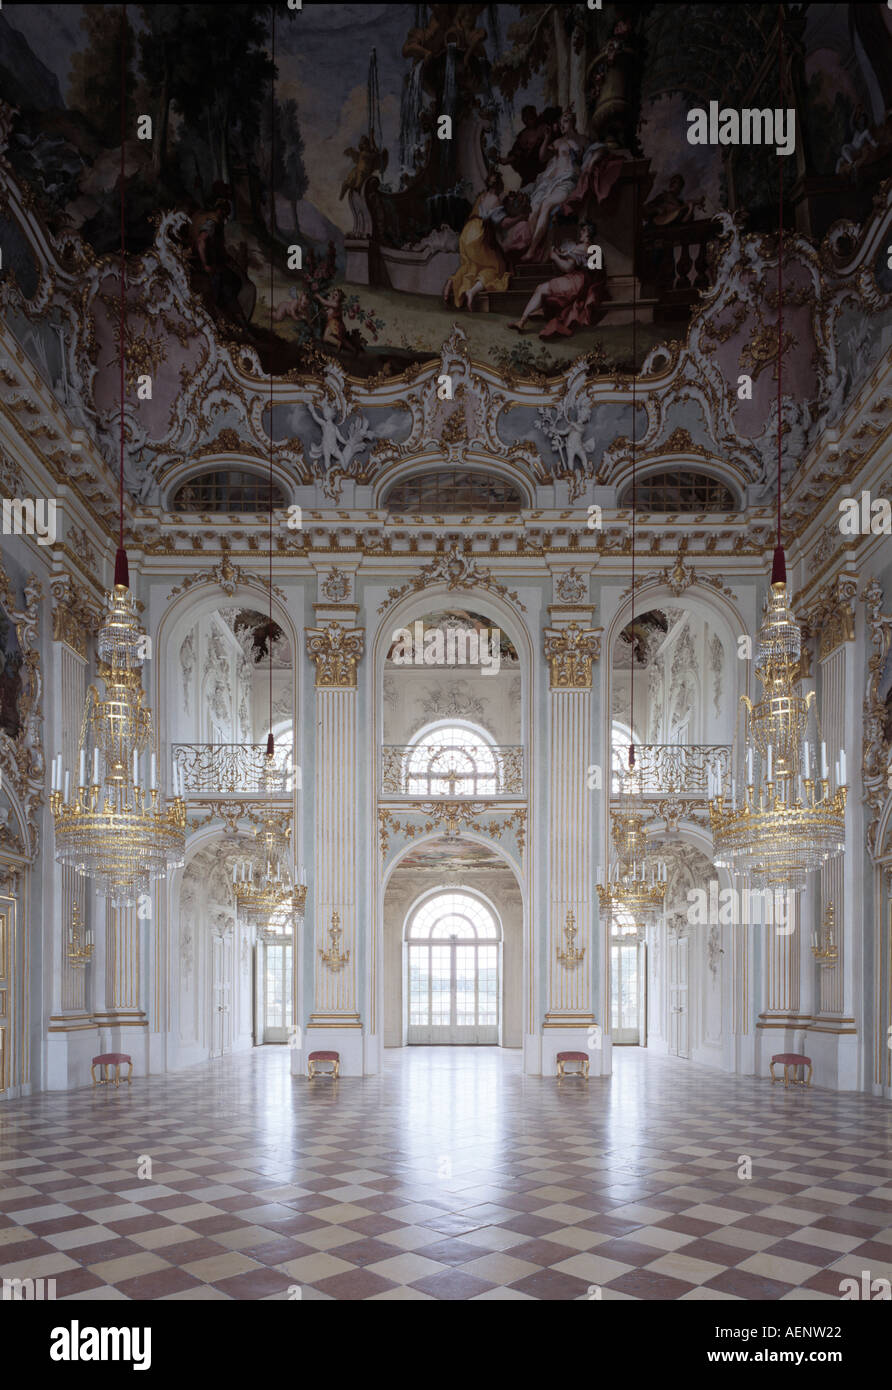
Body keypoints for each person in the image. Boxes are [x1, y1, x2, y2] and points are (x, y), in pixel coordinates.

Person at [508, 222, 607, 338]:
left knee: (541, 289)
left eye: (583, 231)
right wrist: (560, 254)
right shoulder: (587, 248)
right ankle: (529, 317)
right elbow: (570, 264)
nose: (581, 232)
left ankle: (523, 321)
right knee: (543, 290)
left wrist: (555, 255)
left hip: (578, 281)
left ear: (588, 233)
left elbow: (569, 264)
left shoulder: (585, 247)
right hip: (579, 280)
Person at [521, 108, 587, 262]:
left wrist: (575, 149)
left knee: (547, 205)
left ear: (572, 121)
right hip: (552, 183)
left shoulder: (581, 140)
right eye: (560, 122)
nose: (562, 125)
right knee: (533, 210)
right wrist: (547, 138)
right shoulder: (558, 142)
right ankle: (537, 249)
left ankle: (531, 251)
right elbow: (543, 157)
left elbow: (585, 158)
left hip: (567, 181)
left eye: (565, 121)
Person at [443, 170, 511, 310]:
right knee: (496, 268)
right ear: (499, 185)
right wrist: (520, 218)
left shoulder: (482, 196)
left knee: (471, 266)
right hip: (480, 234)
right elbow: (502, 223)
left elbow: (474, 215)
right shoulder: (497, 200)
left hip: (468, 232)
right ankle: (472, 291)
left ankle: (452, 281)